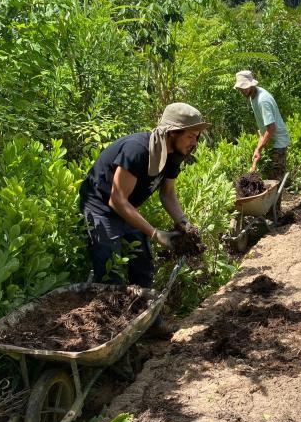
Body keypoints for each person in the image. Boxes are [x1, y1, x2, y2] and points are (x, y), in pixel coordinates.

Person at [79, 102, 208, 293]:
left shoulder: (173, 155)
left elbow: (168, 193)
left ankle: (149, 319)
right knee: (110, 272)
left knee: (143, 265)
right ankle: (114, 320)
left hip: (126, 207)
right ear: (172, 132)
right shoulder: (138, 150)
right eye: (190, 136)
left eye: (196, 137)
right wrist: (156, 234)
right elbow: (117, 200)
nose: (194, 143)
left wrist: (184, 224)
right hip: (101, 208)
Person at [233, 70, 290, 211]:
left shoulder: (262, 99)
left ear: (252, 84)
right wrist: (258, 147)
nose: (242, 91)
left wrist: (259, 148)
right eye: (240, 88)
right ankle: (267, 209)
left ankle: (275, 212)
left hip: (279, 142)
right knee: (269, 179)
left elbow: (271, 128)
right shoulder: (253, 96)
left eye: (244, 87)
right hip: (271, 139)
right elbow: (263, 130)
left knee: (276, 178)